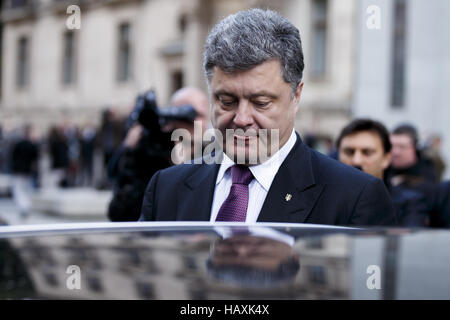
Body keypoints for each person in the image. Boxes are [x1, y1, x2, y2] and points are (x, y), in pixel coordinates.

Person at [140, 8, 396, 226]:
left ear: (296, 95)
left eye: (261, 103)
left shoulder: (355, 197)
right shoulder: (166, 189)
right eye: (226, 101)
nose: (241, 119)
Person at [108, 87, 209, 221]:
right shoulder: (150, 152)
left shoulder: (213, 157)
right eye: (185, 115)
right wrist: (130, 149)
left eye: (199, 115)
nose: (192, 122)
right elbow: (120, 213)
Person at [336, 119, 429, 226]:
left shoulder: (410, 205)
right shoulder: (325, 200)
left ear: (386, 158)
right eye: (349, 152)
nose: (357, 161)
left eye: (367, 152)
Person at [10, 124, 39, 218]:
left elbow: (13, 156)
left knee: (18, 189)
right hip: (27, 170)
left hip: (18, 170)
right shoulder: (31, 145)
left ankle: (24, 206)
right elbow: (35, 157)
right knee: (25, 189)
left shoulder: (19, 144)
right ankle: (26, 205)